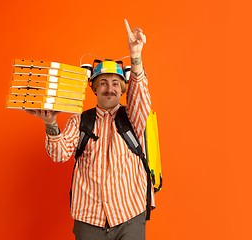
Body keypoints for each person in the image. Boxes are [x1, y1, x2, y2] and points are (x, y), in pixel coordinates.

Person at [26, 19, 154, 240]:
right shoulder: (80, 120)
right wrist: (50, 124)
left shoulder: (134, 117)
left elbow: (140, 96)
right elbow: (59, 154)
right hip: (89, 217)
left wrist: (136, 56)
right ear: (94, 88)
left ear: (122, 89)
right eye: (103, 82)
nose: (109, 88)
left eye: (115, 83)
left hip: (129, 214)